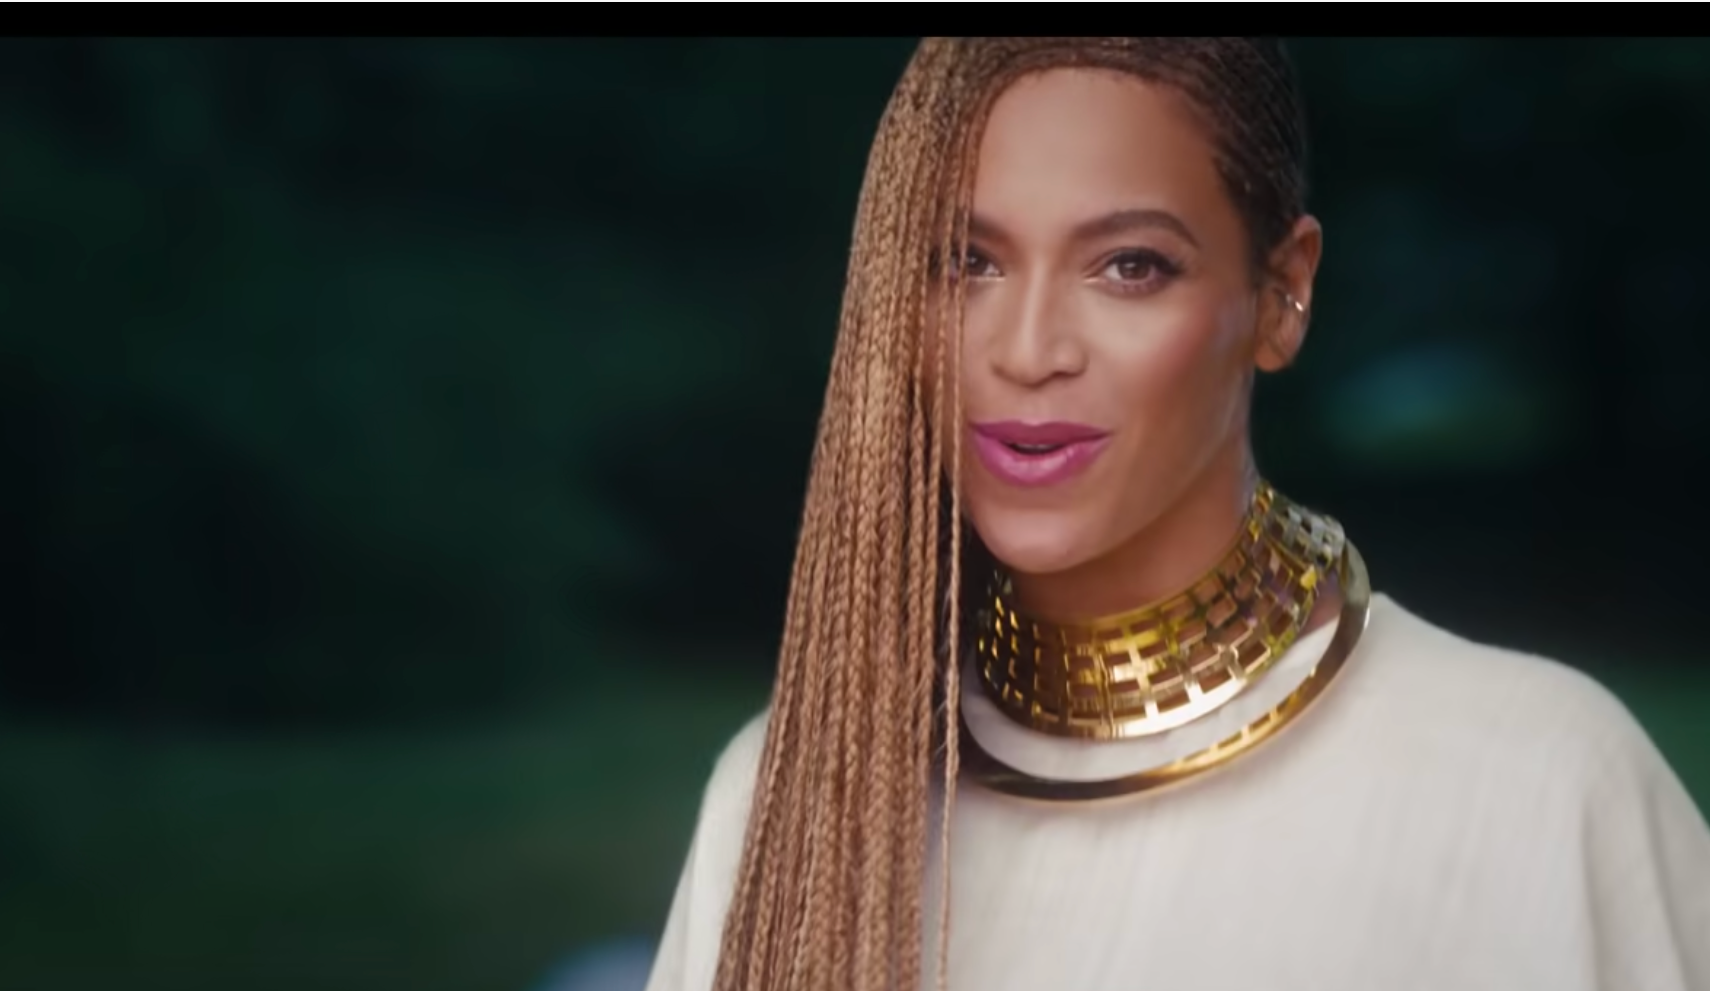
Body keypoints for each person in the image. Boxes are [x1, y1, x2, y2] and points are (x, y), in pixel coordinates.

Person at [644, 37, 1710, 991]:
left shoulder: (1535, 781)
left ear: (1281, 294)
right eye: (966, 261)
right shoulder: (793, 794)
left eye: (1129, 266)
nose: (1026, 349)